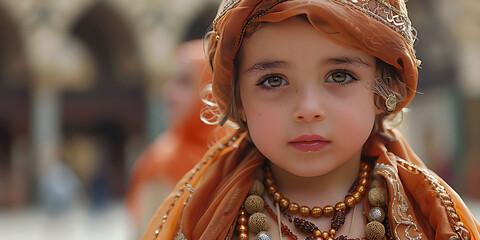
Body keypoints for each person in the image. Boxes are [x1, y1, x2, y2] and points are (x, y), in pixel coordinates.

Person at [143, 0, 480, 239]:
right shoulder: (204, 218)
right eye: (274, 80)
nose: (307, 108)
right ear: (238, 100)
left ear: (384, 89)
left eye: (339, 76)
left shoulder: (434, 217)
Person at [126, 40, 221, 235]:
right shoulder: (161, 163)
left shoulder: (243, 157)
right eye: (172, 81)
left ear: (215, 89)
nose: (169, 94)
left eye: (185, 82)